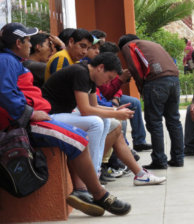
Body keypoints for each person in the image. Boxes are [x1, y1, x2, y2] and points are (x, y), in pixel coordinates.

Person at [0, 22, 131, 216]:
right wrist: (29, 113)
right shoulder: (6, 60)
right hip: (26, 123)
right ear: (18, 43)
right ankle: (98, 193)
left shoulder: (12, 60)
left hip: (36, 117)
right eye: (28, 40)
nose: (31, 44)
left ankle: (82, 190)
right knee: (78, 138)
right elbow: (4, 92)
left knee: (77, 136)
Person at [42, 52, 166, 186]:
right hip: (49, 115)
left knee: (105, 120)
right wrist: (116, 114)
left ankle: (95, 172)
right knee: (96, 122)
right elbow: (85, 110)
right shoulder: (80, 72)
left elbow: (94, 106)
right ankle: (91, 177)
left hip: (63, 114)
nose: (109, 81)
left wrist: (114, 110)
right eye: (109, 77)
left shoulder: (90, 75)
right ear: (100, 67)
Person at [118, 34, 184, 169]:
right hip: (174, 80)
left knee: (154, 122)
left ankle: (159, 160)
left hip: (155, 81)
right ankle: (178, 158)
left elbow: (135, 69)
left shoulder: (128, 46)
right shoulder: (153, 44)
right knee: (174, 120)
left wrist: (142, 88)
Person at [99, 41, 152, 152]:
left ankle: (139, 141)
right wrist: (120, 79)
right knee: (119, 117)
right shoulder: (100, 68)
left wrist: (117, 98)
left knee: (135, 102)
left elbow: (116, 88)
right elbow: (105, 92)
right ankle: (123, 147)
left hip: (113, 96)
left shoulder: (113, 65)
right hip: (103, 98)